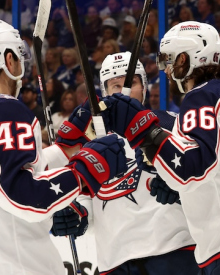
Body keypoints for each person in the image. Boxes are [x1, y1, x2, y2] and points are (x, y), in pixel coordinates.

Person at [99, 21, 220, 274]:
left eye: (171, 59)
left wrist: (143, 131)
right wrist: (176, 188)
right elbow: (219, 166)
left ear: (191, 57)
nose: (166, 69)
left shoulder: (201, 97)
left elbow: (191, 169)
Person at [0, 18, 127, 275]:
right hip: (14, 266)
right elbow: (19, 194)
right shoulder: (4, 109)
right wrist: (84, 171)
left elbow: (3, 174)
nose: (22, 63)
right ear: (7, 60)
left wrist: (64, 151)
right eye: (18, 56)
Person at [51, 52, 198, 275]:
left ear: (144, 87)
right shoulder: (89, 142)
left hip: (172, 250)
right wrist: (76, 214)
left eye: (131, 83)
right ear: (104, 92)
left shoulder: (170, 123)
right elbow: (85, 198)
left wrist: (181, 188)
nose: (123, 91)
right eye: (115, 85)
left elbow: (201, 176)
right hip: (115, 260)